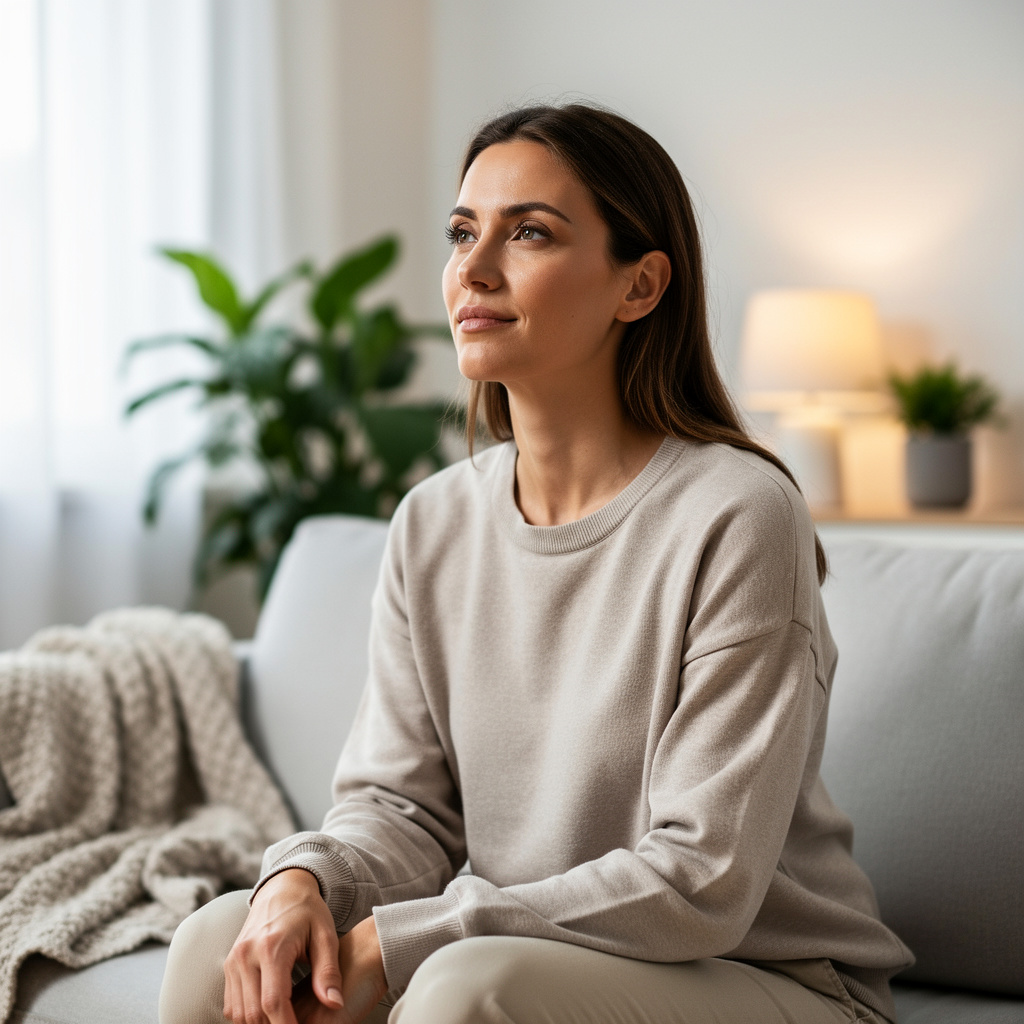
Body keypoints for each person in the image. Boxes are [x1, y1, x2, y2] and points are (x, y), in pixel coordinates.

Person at [159, 103, 913, 1024]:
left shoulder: (739, 514)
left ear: (639, 286)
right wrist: (303, 878)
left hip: (769, 978)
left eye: (529, 233)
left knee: (465, 989)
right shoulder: (432, 521)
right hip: (545, 955)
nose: (472, 270)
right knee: (216, 946)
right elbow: (402, 810)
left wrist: (411, 940)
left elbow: (703, 877)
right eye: (463, 232)